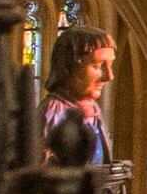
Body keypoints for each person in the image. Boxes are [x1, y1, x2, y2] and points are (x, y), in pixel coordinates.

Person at [41, 24, 111, 165]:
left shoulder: (94, 109)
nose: (109, 76)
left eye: (110, 66)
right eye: (97, 66)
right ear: (69, 66)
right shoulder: (52, 111)